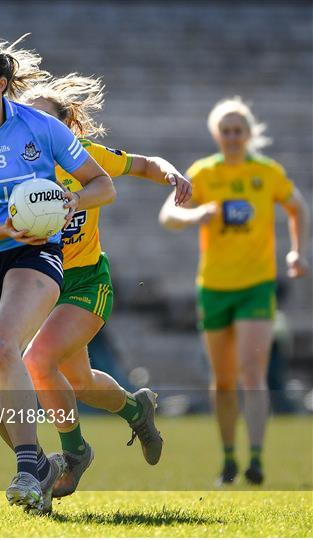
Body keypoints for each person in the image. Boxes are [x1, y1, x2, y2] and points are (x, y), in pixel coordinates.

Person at [0, 73, 192, 497]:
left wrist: (172, 177)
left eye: (44, 121)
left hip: (83, 282)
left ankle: (74, 453)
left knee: (39, 361)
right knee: (79, 381)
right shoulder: (7, 161)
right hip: (36, 278)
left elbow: (143, 164)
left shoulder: (85, 159)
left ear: (64, 128)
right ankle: (137, 409)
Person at [0, 37, 116, 513]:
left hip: (36, 256)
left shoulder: (41, 128)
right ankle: (41, 469)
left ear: (1, 85)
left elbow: (102, 184)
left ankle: (27, 470)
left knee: (3, 344)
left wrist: (69, 202)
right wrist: (3, 226)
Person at [159, 96, 310, 485]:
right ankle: (228, 459)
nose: (231, 137)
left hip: (256, 286)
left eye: (237, 130)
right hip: (214, 287)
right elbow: (168, 215)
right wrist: (197, 214)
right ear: (216, 134)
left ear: (248, 133)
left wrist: (296, 251)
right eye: (224, 131)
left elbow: (298, 207)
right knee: (223, 379)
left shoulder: (267, 172)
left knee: (251, 373)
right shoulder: (205, 173)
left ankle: (256, 459)